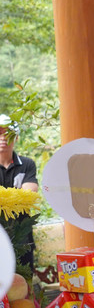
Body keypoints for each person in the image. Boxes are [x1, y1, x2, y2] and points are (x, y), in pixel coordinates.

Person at [0, 115, 39, 273]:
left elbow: (29, 195)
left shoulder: (27, 164)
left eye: (8, 133)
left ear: (16, 137)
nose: (3, 137)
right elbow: (22, 196)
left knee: (25, 280)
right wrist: (16, 197)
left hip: (22, 234)